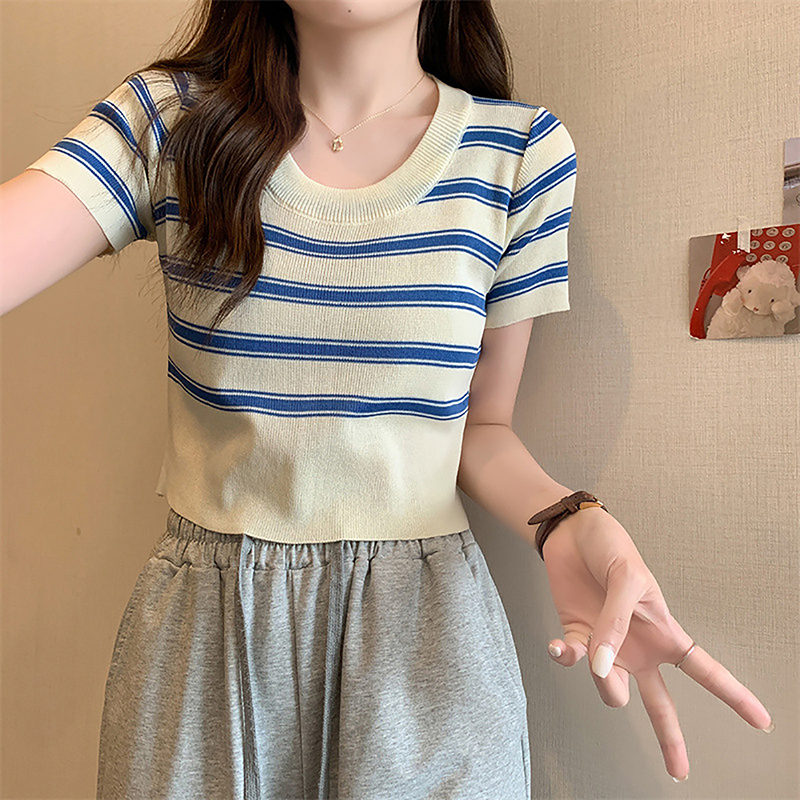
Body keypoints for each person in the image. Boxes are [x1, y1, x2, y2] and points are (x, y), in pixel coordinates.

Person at [1, 1, 773, 798]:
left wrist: (566, 520)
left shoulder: (518, 154)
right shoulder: (168, 125)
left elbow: (482, 427)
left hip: (425, 642)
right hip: (208, 639)